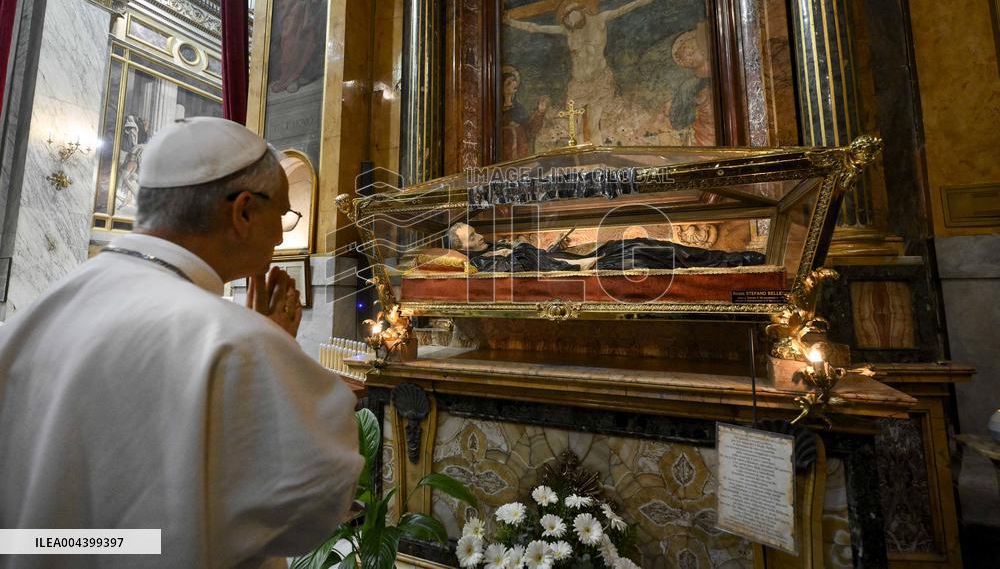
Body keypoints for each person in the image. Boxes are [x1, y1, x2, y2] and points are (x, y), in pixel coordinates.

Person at [0, 117, 363, 568]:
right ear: (244, 211)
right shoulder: (235, 344)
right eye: (284, 215)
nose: (281, 233)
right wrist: (272, 351)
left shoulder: (29, 322)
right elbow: (317, 505)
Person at [504, 0, 700, 144]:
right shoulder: (567, 30)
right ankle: (579, 171)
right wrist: (510, 22)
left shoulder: (600, 20)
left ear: (581, 10)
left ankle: (596, 169)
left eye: (572, 14)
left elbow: (639, 2)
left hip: (599, 82)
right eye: (565, 17)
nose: (569, 21)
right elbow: (535, 28)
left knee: (595, 126)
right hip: (578, 85)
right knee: (576, 133)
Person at [447, 222, 764, 273]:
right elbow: (540, 273)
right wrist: (585, 264)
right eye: (472, 238)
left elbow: (541, 258)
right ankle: (731, 264)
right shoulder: (486, 267)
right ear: (465, 250)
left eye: (475, 232)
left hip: (578, 261)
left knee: (641, 243)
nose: (479, 237)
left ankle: (730, 258)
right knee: (642, 255)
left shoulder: (495, 248)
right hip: (582, 272)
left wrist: (560, 249)